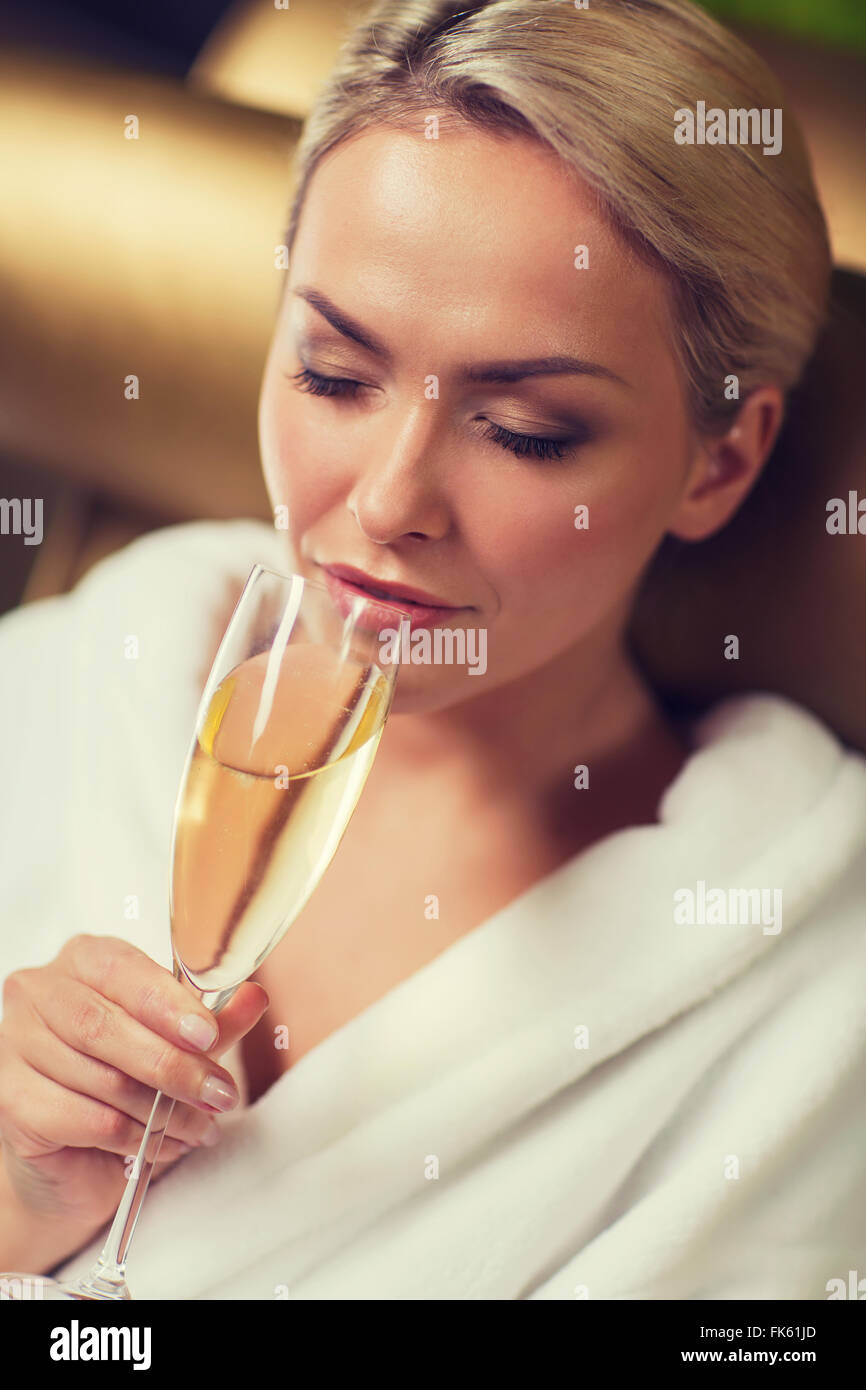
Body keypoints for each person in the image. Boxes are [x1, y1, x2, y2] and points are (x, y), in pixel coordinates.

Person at [1, 0, 864, 1299]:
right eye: (335, 374)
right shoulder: (81, 680)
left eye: (523, 430)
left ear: (719, 460)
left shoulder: (804, 994)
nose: (390, 498)